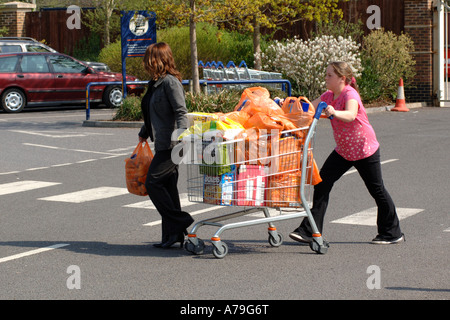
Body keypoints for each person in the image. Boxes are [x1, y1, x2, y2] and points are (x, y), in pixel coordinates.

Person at [288, 61, 404, 245]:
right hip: (344, 151)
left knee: (377, 190)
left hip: (364, 149)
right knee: (322, 184)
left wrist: (334, 112)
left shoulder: (350, 93)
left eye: (329, 76)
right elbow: (309, 109)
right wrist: (288, 107)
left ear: (342, 79)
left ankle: (392, 233)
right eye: (326, 75)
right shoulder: (328, 95)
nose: (325, 78)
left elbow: (350, 114)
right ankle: (310, 230)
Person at [138, 42, 194, 249]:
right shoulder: (154, 83)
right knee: (168, 188)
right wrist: (145, 132)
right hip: (161, 141)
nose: (146, 62)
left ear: (158, 60)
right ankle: (173, 236)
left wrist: (179, 140)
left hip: (173, 144)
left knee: (152, 183)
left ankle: (181, 221)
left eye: (149, 58)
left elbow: (181, 112)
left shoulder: (170, 82)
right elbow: (152, 113)